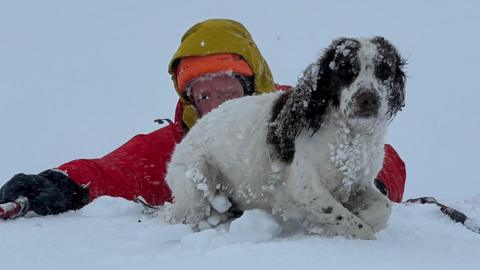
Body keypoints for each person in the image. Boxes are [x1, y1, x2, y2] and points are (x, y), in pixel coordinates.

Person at [0, 19, 406, 220]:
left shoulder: (299, 113)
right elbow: (111, 171)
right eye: (201, 93)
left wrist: (359, 187)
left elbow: (383, 156)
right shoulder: (180, 143)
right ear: (186, 98)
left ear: (252, 83)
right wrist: (59, 182)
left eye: (227, 90)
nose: (214, 103)